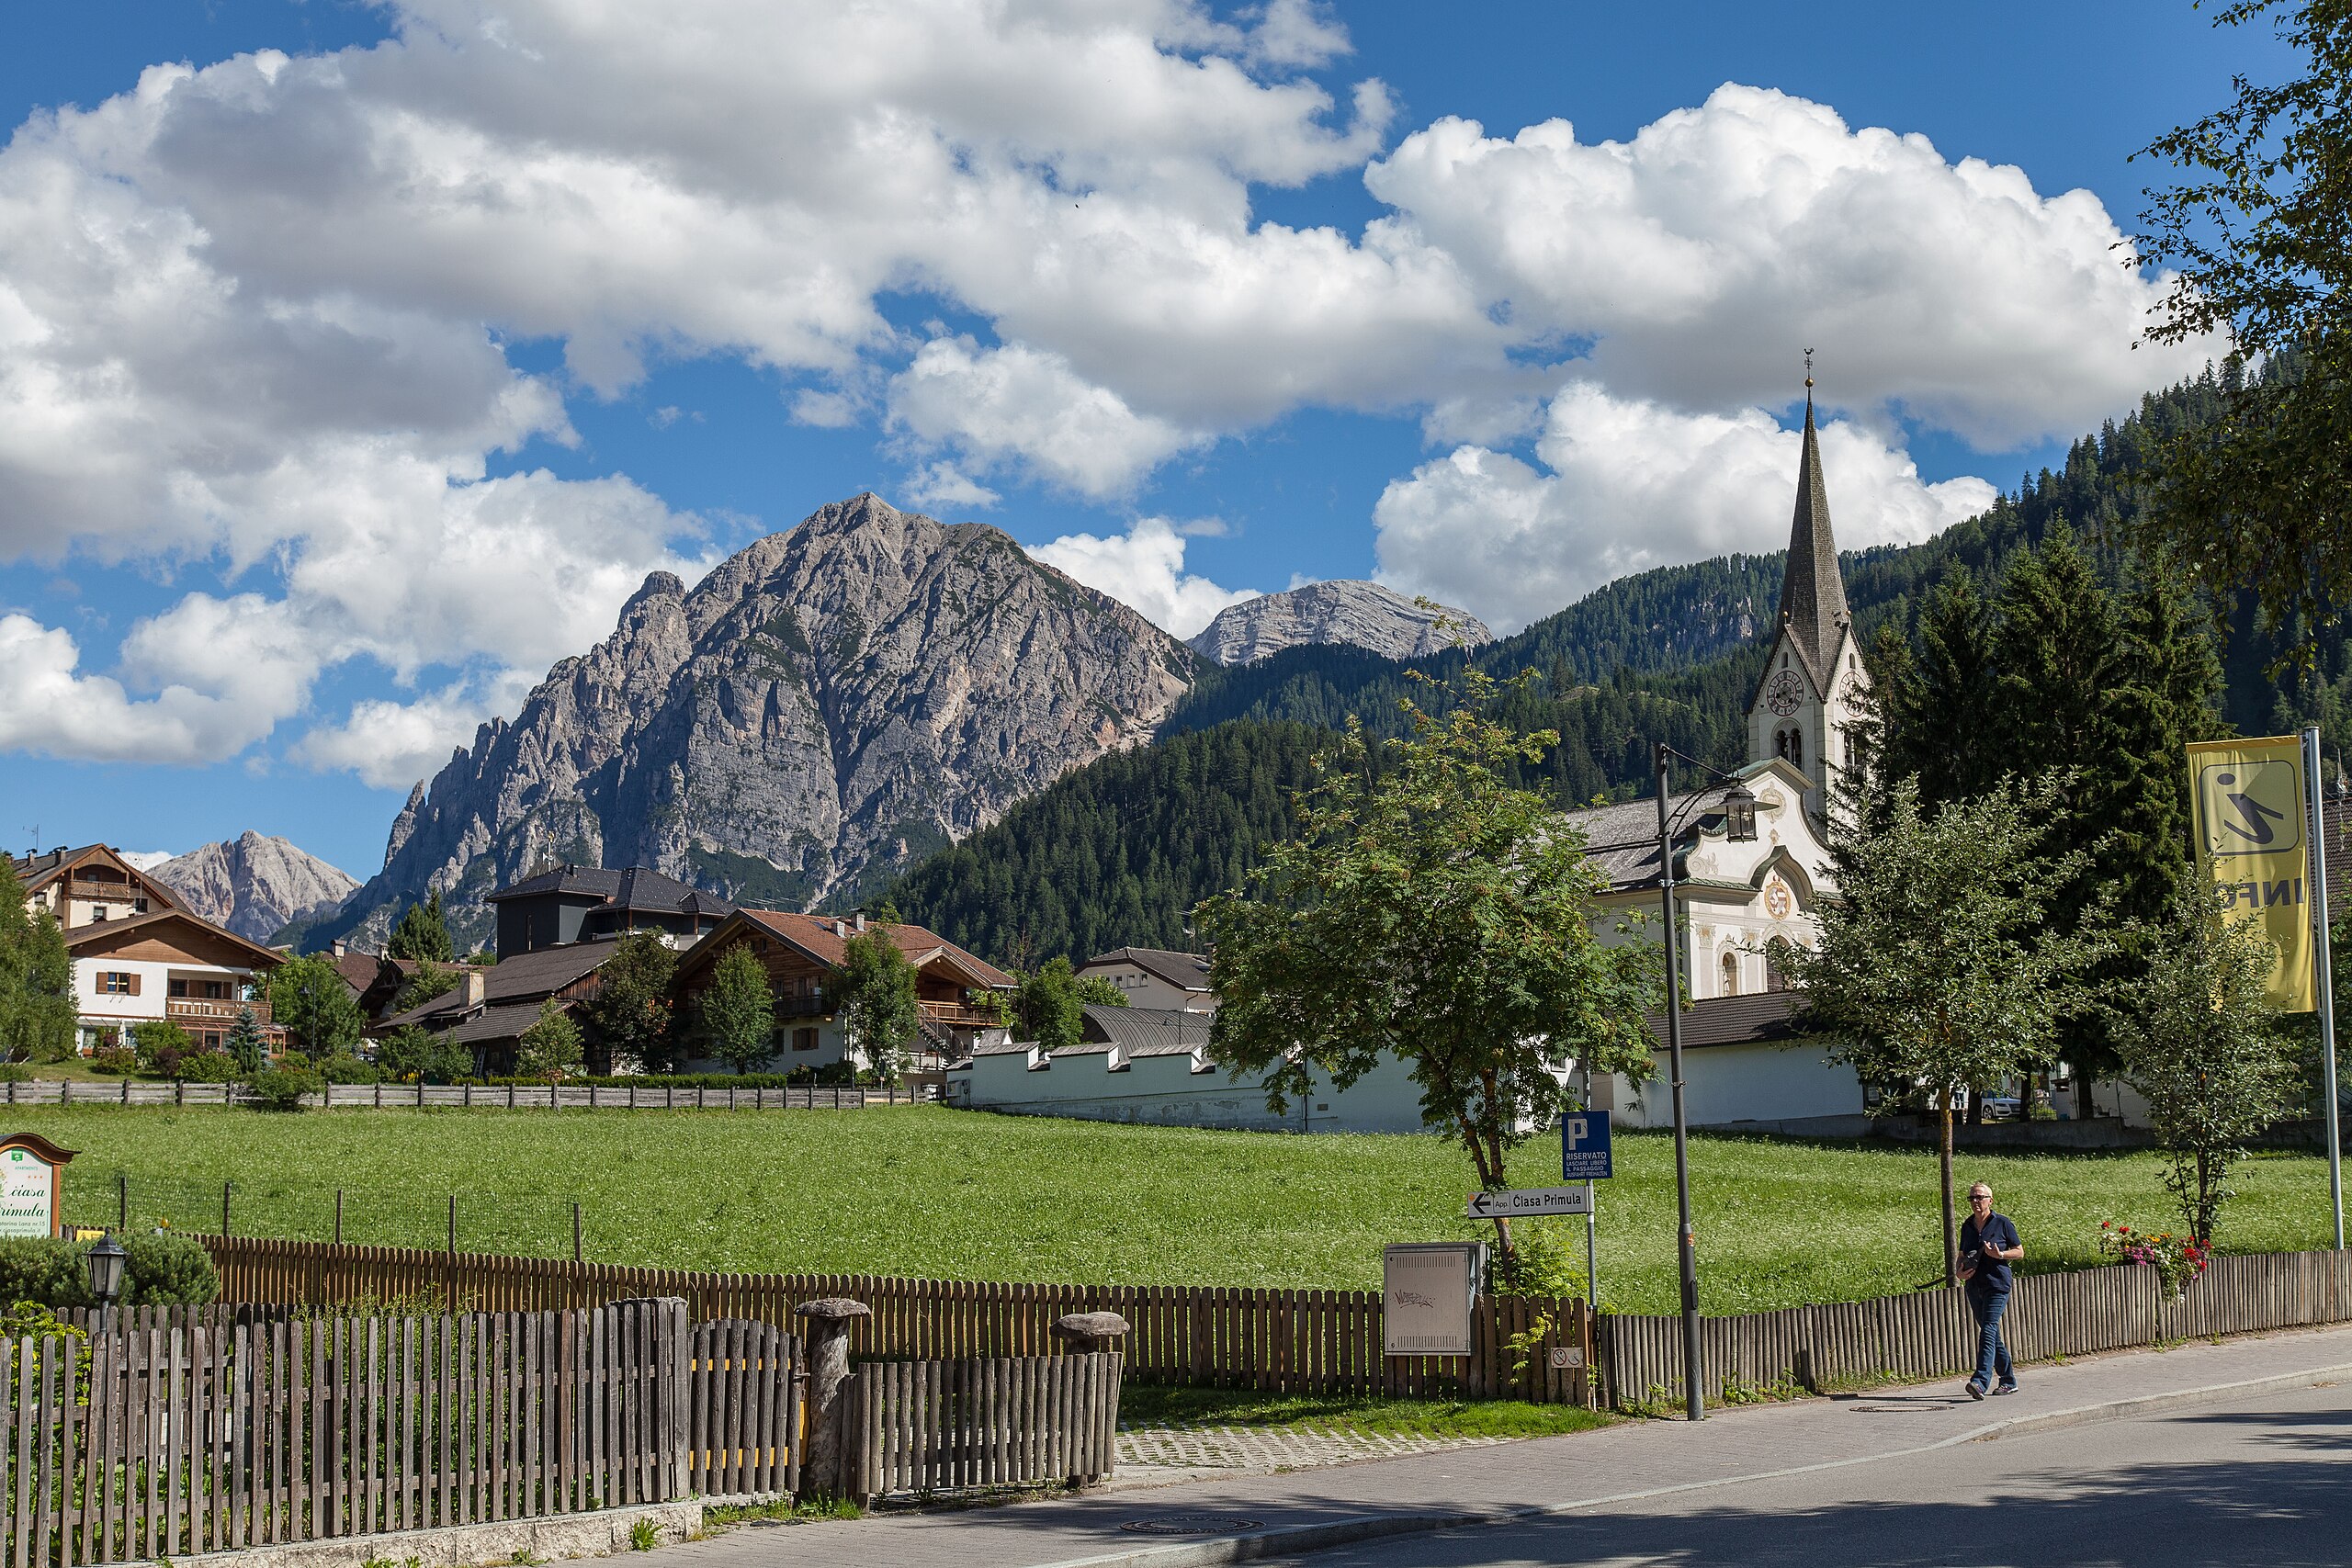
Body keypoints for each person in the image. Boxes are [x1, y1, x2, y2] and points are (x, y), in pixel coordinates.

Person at [1957, 1181, 2022, 1399]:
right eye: (1972, 1198)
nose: (1976, 1201)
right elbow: (1961, 1254)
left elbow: (2019, 1252)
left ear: (1990, 1200)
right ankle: (2008, 1380)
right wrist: (1959, 1272)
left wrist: (2000, 1255)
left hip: (1997, 1285)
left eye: (1980, 1197)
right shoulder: (1967, 1226)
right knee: (1991, 1334)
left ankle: (1980, 1381)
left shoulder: (2002, 1223)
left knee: (1987, 1329)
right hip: (1974, 1285)